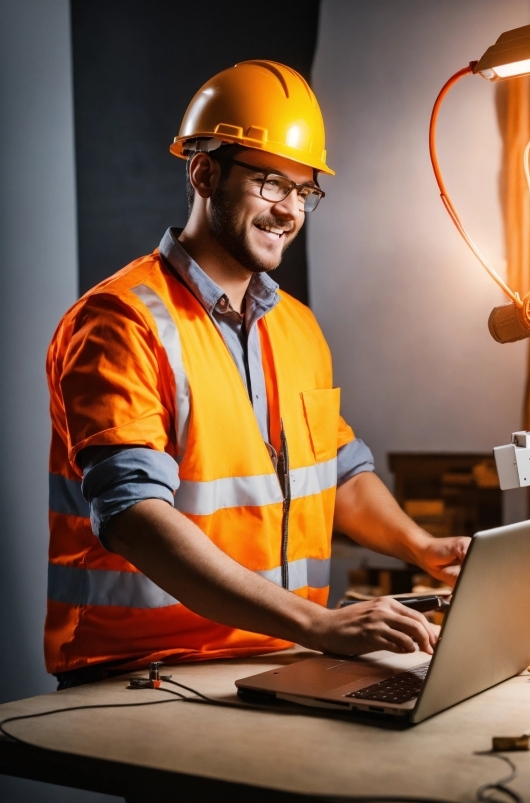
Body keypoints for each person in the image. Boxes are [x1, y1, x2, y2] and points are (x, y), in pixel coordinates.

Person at [46, 60, 470, 691]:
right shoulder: (119, 321)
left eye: (304, 191)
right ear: (204, 171)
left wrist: (420, 546)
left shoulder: (297, 327)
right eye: (272, 184)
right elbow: (134, 516)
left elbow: (337, 472)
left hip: (280, 658)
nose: (290, 211)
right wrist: (320, 624)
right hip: (147, 677)